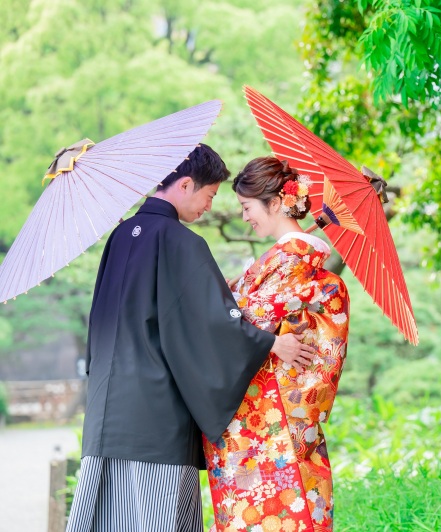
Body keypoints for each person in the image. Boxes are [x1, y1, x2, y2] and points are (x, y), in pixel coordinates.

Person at [66, 144, 315, 532]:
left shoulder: (119, 237)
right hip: (156, 416)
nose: (208, 208)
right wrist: (270, 343)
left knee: (107, 520)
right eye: (209, 195)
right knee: (157, 520)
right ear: (185, 184)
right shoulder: (182, 243)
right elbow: (212, 322)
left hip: (104, 411)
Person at [203, 157, 350, 532]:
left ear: (274, 203)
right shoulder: (293, 257)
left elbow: (235, 317)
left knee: (270, 516)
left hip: (267, 425)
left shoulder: (291, 259)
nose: (244, 216)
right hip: (283, 422)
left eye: (246, 207)